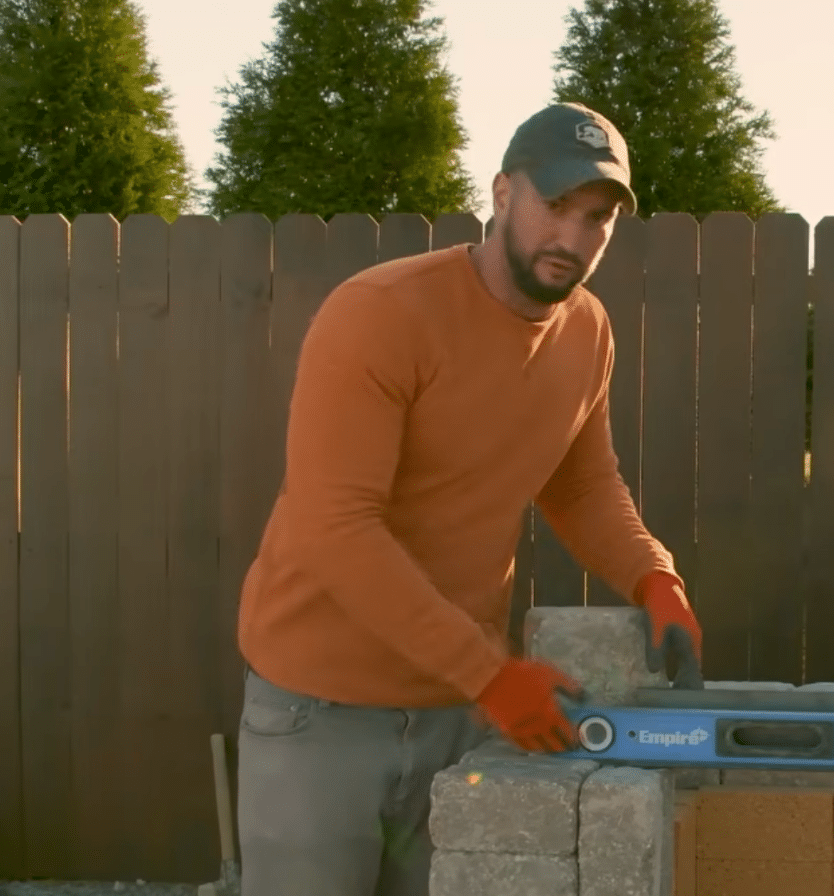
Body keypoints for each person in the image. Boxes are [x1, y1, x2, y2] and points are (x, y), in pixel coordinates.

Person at [230, 102, 703, 896]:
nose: (574, 239)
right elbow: (334, 526)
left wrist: (654, 578)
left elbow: (582, 485)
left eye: (597, 219)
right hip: (319, 712)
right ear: (501, 193)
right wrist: (490, 673)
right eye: (555, 207)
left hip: (455, 715)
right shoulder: (382, 314)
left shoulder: (586, 330)